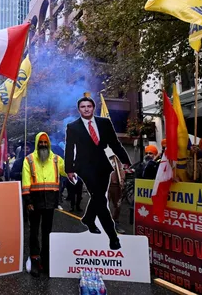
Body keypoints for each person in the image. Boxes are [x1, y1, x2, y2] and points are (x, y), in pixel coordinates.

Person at [65, 93, 131, 250]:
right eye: (83, 107)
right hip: (84, 166)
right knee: (101, 200)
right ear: (79, 110)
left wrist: (125, 161)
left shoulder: (104, 123)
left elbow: (115, 143)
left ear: (93, 108)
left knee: (98, 197)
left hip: (102, 165)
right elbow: (69, 149)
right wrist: (69, 169)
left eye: (89, 106)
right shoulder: (72, 127)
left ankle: (88, 218)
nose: (86, 109)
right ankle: (112, 237)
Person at [22, 132, 67, 277]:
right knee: (34, 232)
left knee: (47, 232)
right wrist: (28, 201)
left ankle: (46, 260)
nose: (42, 144)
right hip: (34, 201)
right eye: (40, 142)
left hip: (50, 201)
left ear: (48, 143)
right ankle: (35, 260)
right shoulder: (28, 160)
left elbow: (68, 170)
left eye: (44, 142)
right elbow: (26, 182)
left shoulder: (56, 159)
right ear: (36, 144)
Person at [108, 154, 126, 234]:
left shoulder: (117, 160)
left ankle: (115, 222)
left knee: (117, 205)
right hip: (105, 185)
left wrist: (121, 180)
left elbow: (121, 170)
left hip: (116, 186)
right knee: (104, 205)